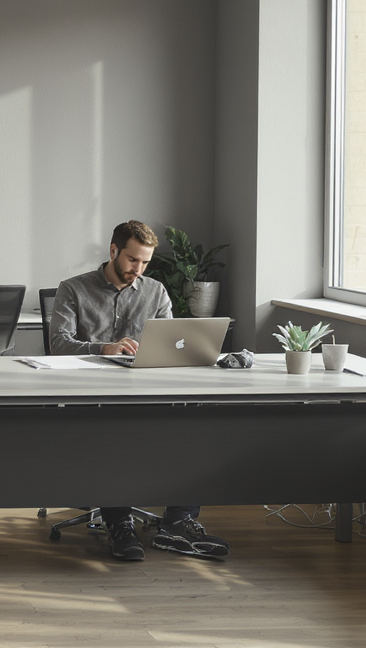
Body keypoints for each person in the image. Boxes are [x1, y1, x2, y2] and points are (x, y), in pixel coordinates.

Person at [49, 219, 230, 562]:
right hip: (90, 395)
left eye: (145, 262)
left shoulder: (155, 291)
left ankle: (179, 522)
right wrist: (105, 348)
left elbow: (173, 344)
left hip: (145, 389)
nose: (139, 268)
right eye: (133, 260)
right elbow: (58, 345)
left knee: (193, 428)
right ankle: (119, 522)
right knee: (116, 434)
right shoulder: (73, 288)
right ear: (114, 250)